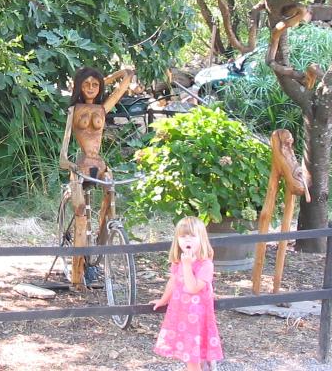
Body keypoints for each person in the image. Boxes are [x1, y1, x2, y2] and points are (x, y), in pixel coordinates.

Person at [58, 65, 134, 285]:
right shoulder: (74, 110)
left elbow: (126, 79)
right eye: (86, 84)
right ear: (78, 87)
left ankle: (98, 252)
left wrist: (106, 79)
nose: (91, 88)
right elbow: (64, 150)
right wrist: (69, 164)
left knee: (110, 200)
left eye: (95, 85)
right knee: (81, 212)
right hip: (80, 166)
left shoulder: (102, 108)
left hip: (99, 164)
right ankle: (77, 275)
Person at [150, 216, 223, 371]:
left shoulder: (205, 265)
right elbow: (173, 281)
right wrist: (163, 300)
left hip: (196, 318)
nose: (187, 240)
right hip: (181, 314)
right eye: (183, 236)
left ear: (202, 239)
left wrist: (187, 266)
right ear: (177, 240)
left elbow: (193, 288)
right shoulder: (179, 262)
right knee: (187, 351)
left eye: (192, 236)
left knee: (191, 355)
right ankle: (202, 366)